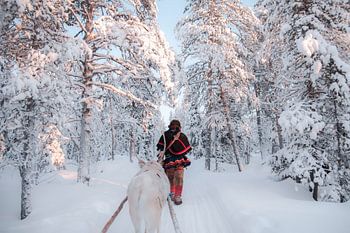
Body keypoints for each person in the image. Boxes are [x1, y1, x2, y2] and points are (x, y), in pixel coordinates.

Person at [157, 119, 192, 205]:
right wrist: (162, 152)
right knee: (172, 177)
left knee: (177, 177)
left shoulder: (181, 136)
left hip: (178, 160)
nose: (174, 128)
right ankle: (174, 194)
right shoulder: (165, 135)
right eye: (173, 126)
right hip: (170, 160)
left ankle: (177, 195)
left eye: (175, 126)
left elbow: (186, 148)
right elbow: (161, 147)